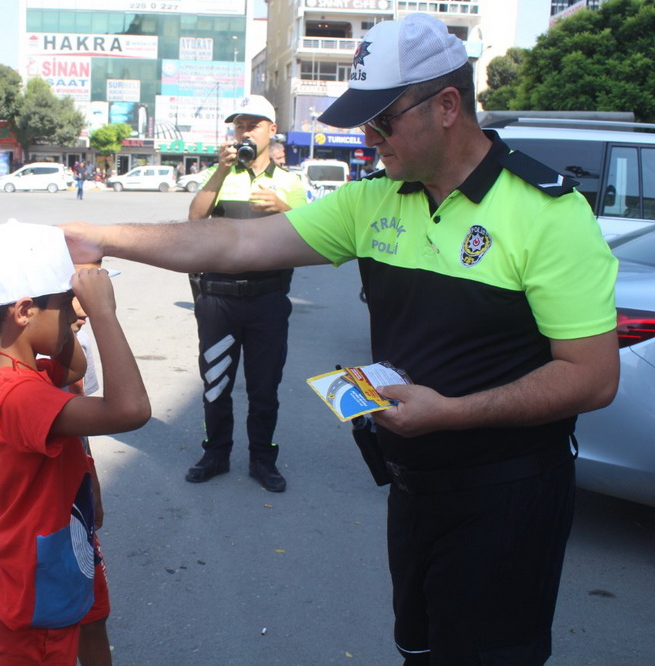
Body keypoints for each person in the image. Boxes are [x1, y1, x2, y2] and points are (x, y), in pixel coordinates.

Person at [62, 13, 619, 664]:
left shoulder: (547, 211)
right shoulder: (375, 200)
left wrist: (454, 413)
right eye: (362, 118)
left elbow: (592, 375)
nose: (367, 135)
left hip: (508, 493)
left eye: (382, 118)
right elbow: (233, 241)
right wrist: (97, 236)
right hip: (412, 484)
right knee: (418, 648)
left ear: (446, 107)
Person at [0, 220, 149, 664]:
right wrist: (104, 313)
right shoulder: (18, 395)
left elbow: (73, 371)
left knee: (91, 621)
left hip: (62, 544)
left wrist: (72, 311)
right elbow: (131, 411)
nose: (78, 314)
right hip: (38, 582)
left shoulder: (16, 375)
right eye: (68, 306)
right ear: (24, 311)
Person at [184, 94, 308, 493]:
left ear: (272, 131)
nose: (244, 131)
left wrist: (283, 207)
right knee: (215, 383)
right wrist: (218, 174)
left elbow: (309, 236)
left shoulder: (289, 183)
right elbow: (195, 219)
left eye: (253, 124)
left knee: (264, 387)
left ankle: (262, 459)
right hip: (217, 300)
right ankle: (215, 453)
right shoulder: (220, 176)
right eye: (239, 125)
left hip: (267, 301)